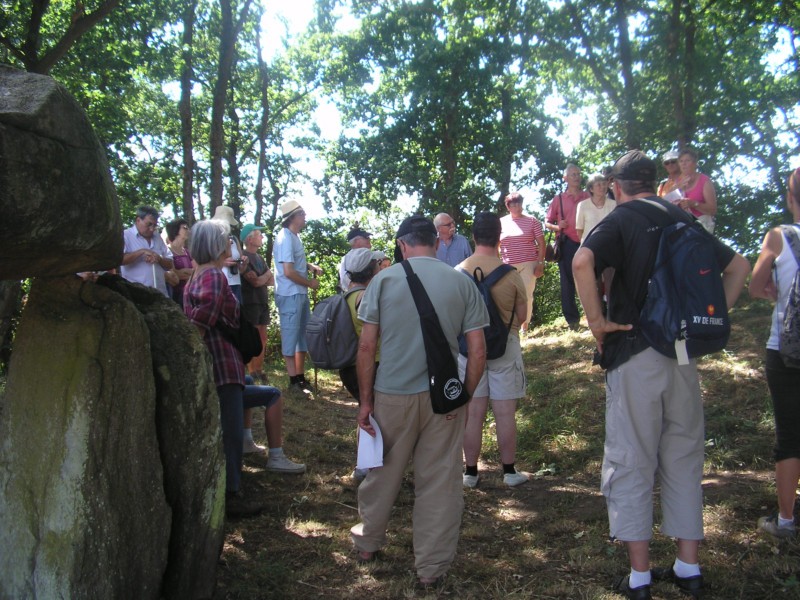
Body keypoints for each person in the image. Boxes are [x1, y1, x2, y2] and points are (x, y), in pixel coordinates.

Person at [572, 150, 750, 599]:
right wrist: (704, 321)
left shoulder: (622, 218)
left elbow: (580, 262)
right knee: (685, 456)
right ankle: (688, 566)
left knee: (632, 457)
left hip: (634, 354)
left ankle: (639, 577)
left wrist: (598, 325)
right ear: (654, 179)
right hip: (682, 356)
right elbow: (740, 267)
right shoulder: (683, 217)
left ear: (617, 185)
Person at [350, 215, 488, 588]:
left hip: (392, 395)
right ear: (437, 242)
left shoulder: (383, 281)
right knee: (440, 481)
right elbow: (478, 352)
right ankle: (431, 569)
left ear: (402, 244)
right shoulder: (461, 283)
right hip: (443, 399)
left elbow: (366, 346)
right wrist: (466, 394)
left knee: (382, 471)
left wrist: (366, 402)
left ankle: (367, 544)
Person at [183, 220, 304, 518]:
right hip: (223, 366)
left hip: (216, 364)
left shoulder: (195, 275)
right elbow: (204, 318)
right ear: (215, 245)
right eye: (226, 240)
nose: (230, 245)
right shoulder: (213, 276)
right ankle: (231, 495)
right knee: (231, 435)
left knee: (230, 430)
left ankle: (230, 488)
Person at [458, 212, 529, 489]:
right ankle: (509, 471)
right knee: (504, 413)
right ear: (500, 237)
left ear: (474, 236)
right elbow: (521, 316)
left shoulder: (457, 272)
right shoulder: (511, 275)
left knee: (473, 413)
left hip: (467, 348)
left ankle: (471, 473)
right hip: (505, 348)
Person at [749, 166, 800, 539]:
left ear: (790, 197)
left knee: (790, 433)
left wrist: (772, 290)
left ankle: (784, 519)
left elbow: (754, 284)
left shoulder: (780, 237)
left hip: (785, 348)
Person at [338, 247, 382, 482]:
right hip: (370, 364)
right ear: (371, 270)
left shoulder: (346, 296)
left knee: (367, 413)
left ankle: (365, 464)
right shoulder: (364, 298)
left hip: (349, 365)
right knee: (372, 416)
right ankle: (366, 467)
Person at [273, 200, 322, 397]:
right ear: (292, 217)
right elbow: (287, 271)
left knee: (302, 335)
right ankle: (292, 380)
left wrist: (310, 266)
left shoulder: (295, 237)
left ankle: (300, 377)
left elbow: (294, 262)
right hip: (289, 293)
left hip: (298, 293)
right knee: (291, 334)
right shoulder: (284, 237)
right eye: (302, 213)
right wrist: (309, 283)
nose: (305, 216)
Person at [546, 163, 590, 330]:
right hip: (567, 244)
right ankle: (573, 321)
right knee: (567, 282)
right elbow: (547, 222)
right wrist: (558, 227)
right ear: (565, 178)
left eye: (578, 174)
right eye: (572, 174)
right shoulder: (559, 199)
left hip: (587, 241)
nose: (576, 177)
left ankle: (594, 312)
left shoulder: (587, 196)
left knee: (590, 278)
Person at [499, 193, 545, 335]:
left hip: (528, 263)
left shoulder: (532, 221)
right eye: (514, 204)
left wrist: (540, 263)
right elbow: (496, 244)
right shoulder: (501, 222)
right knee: (509, 296)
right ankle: (511, 326)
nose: (517, 207)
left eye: (519, 203)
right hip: (507, 265)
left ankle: (524, 326)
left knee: (526, 295)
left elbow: (542, 243)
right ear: (508, 207)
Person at [240, 223, 274, 381]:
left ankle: (259, 369)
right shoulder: (242, 257)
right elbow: (254, 281)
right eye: (258, 234)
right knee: (252, 336)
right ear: (249, 238)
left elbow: (271, 280)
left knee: (262, 337)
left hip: (262, 301)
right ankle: (252, 370)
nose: (262, 237)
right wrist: (266, 275)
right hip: (250, 302)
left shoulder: (260, 258)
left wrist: (264, 276)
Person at [120, 205, 174, 297]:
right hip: (136, 296)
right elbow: (119, 260)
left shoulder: (157, 237)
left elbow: (170, 264)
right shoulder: (125, 236)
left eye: (154, 225)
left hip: (161, 295)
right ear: (138, 220)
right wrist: (142, 252)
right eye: (149, 224)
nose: (152, 229)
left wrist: (159, 259)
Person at [212, 205, 248, 304]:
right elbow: (204, 262)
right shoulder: (212, 238)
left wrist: (244, 262)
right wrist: (222, 262)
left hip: (235, 284)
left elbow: (241, 269)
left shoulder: (234, 239)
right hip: (218, 283)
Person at [676, 147, 718, 234]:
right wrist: (676, 188)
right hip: (682, 228)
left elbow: (712, 210)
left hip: (701, 227)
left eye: (687, 161)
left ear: (695, 163)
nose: (684, 164)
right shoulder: (676, 183)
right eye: (681, 161)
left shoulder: (704, 181)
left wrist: (694, 204)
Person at [576, 173, 616, 244]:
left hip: (610, 245)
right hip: (589, 246)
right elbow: (579, 229)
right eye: (598, 185)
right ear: (591, 189)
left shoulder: (614, 204)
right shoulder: (582, 205)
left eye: (604, 184)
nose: (602, 187)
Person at [165, 219, 194, 305]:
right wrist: (189, 273)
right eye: (185, 228)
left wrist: (183, 272)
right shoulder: (167, 251)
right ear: (175, 230)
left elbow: (197, 271)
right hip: (176, 295)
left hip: (190, 293)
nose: (188, 230)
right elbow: (174, 274)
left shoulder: (187, 252)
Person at [338, 227, 372, 291]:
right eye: (366, 238)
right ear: (357, 241)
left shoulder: (345, 260)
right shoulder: (347, 260)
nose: (369, 239)